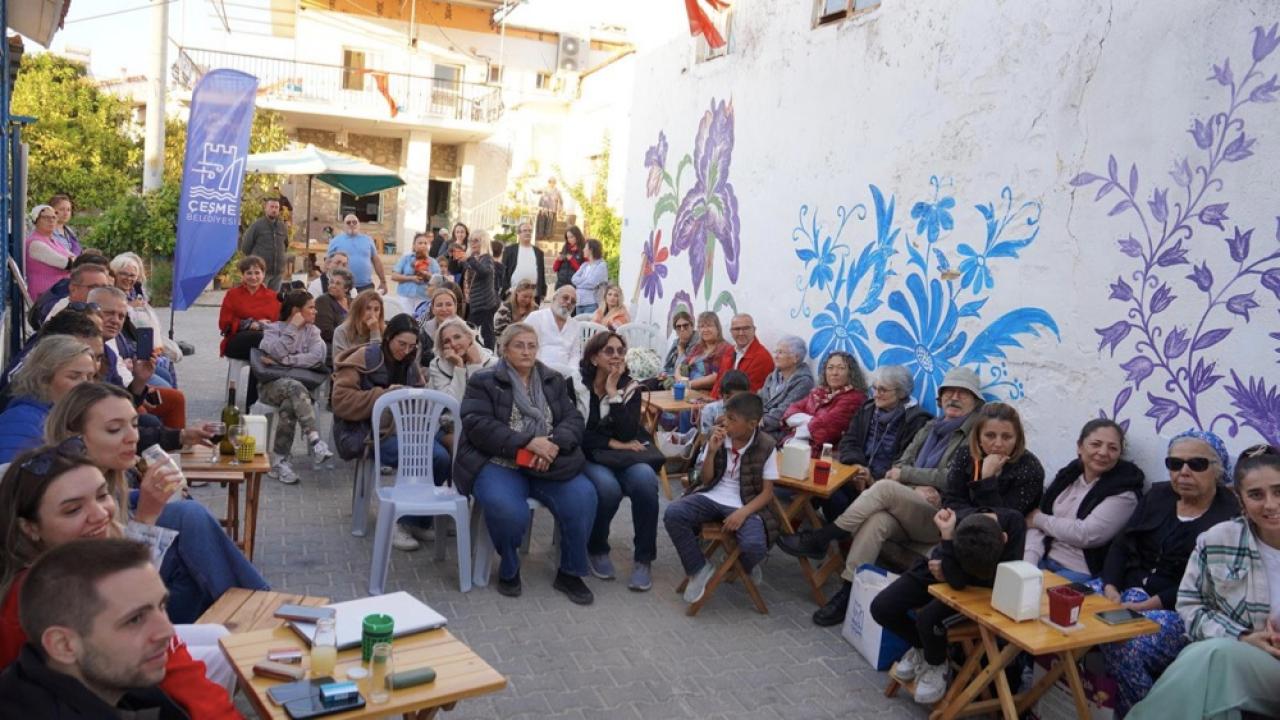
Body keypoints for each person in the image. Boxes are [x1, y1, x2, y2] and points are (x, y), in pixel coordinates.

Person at [0, 447, 241, 712]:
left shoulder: (80, 565)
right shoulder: (35, 603)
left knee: (221, 641)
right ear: (30, 527)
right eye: (72, 509)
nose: (100, 514)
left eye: (103, 495)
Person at [788, 401, 1043, 626]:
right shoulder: (967, 454)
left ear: (1018, 438)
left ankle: (823, 539)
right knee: (879, 520)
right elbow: (953, 500)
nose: (998, 444)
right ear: (978, 436)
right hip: (941, 521)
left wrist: (986, 480)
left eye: (1006, 437)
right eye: (990, 435)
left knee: (886, 489)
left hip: (969, 547)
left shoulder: (1028, 469)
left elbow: (1005, 523)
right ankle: (849, 588)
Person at [44, 382, 270, 625]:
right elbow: (117, 589)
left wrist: (142, 497)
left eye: (133, 424)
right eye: (114, 430)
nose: (133, 437)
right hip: (97, 617)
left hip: (131, 603)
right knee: (187, 518)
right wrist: (146, 516)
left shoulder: (105, 479)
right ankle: (262, 615)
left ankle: (254, 616)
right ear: (75, 438)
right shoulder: (62, 492)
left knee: (192, 569)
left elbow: (120, 504)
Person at [0, 538, 236, 718]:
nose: (167, 632)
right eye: (134, 619)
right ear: (63, 645)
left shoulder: (121, 687)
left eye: (162, 605)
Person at [1127, 443, 1280, 720]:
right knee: (1212, 677)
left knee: (1210, 658)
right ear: (1241, 501)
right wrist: (1243, 636)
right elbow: (1190, 604)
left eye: (1279, 491)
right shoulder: (1218, 540)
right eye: (1256, 494)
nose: (1270, 504)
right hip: (1242, 660)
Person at [1097, 429, 1242, 716]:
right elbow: (1122, 544)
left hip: (1179, 611)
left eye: (1196, 464)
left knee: (1123, 643)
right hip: (1125, 593)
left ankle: (1147, 712)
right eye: (1175, 464)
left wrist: (1145, 605)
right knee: (1060, 606)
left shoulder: (1231, 514)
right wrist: (1111, 588)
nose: (1184, 472)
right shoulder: (1160, 495)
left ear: (1217, 470)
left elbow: (1207, 583)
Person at [453, 323, 597, 605]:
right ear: (504, 350)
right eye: (519, 345)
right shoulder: (484, 381)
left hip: (547, 461)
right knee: (508, 510)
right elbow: (477, 424)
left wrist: (553, 445)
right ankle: (509, 567)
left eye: (532, 345)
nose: (527, 351)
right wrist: (528, 442)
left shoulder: (552, 379)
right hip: (498, 460)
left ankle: (570, 571)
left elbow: (574, 419)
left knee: (583, 496)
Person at [872, 509, 1025, 705]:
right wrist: (947, 538)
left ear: (1004, 538)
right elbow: (945, 570)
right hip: (944, 569)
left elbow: (998, 579)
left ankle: (937, 662)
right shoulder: (957, 517)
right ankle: (923, 647)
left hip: (980, 588)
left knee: (928, 619)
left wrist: (951, 569)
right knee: (882, 607)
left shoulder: (1014, 524)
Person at [332, 314, 445, 552]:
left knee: (445, 457)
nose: (405, 350)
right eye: (401, 344)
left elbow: (419, 398)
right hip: (366, 433)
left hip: (405, 430)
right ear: (387, 338)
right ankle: (399, 523)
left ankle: (418, 518)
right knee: (428, 457)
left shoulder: (410, 363)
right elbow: (340, 401)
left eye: (411, 346)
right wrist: (383, 395)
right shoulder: (364, 357)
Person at [664, 392, 779, 604]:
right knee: (674, 513)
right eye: (726, 416)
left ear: (752, 424)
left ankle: (741, 564)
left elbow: (767, 493)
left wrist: (742, 513)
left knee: (755, 546)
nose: (725, 422)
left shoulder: (767, 446)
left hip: (745, 502)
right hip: (713, 495)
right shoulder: (718, 436)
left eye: (732, 420)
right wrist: (711, 452)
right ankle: (699, 568)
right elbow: (707, 481)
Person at [577, 331, 660, 591]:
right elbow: (578, 434)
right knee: (609, 489)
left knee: (646, 481)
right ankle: (597, 546)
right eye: (609, 351)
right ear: (594, 357)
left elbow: (627, 431)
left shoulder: (630, 387)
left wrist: (613, 392)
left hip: (624, 454)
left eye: (620, 351)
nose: (616, 356)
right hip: (590, 456)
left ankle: (643, 558)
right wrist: (613, 442)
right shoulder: (576, 386)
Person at [1022, 419, 1143, 583]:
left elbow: (1086, 534)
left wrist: (1040, 520)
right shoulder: (1068, 478)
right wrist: (1029, 565)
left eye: (1113, 448)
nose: (1103, 452)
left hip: (1080, 573)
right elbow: (1036, 525)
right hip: (1042, 560)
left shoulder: (1124, 493)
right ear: (1080, 446)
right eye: (1096, 444)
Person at [826, 364, 931, 519]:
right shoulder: (867, 408)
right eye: (874, 388)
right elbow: (849, 440)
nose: (875, 394)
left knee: (843, 501)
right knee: (825, 492)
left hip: (885, 483)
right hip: (857, 473)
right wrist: (857, 466)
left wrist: (873, 478)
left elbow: (906, 461)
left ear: (901, 393)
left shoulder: (916, 420)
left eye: (882, 390)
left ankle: (834, 538)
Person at [257, 290, 334, 483]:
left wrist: (284, 361)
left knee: (290, 404)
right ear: (296, 311)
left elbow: (316, 357)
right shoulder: (272, 330)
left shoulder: (313, 332)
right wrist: (291, 329)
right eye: (311, 307)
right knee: (294, 387)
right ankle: (315, 440)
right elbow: (273, 349)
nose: (315, 311)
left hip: (297, 393)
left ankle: (279, 462)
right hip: (271, 387)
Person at [0, 337, 98, 464]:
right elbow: (12, 479)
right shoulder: (20, 421)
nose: (86, 385)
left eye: (90, 377)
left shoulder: (71, 419)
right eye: (74, 376)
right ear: (44, 379)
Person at [780, 351, 867, 457]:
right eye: (830, 368)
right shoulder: (819, 392)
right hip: (797, 446)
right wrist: (812, 421)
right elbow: (790, 411)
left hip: (822, 455)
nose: (834, 372)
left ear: (851, 373)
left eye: (841, 368)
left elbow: (825, 430)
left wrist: (798, 426)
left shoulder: (854, 398)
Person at [218, 255, 281, 360]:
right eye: (249, 273)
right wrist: (249, 324)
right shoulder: (232, 294)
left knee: (265, 346)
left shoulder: (273, 297)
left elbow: (279, 325)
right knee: (260, 340)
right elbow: (224, 324)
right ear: (243, 275)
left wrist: (261, 326)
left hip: (266, 341)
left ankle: (258, 375)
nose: (253, 277)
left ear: (264, 274)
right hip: (238, 341)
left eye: (257, 273)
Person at [759, 336, 815, 436]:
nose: (775, 356)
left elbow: (784, 412)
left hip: (782, 431)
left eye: (780, 352)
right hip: (759, 423)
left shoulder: (804, 382)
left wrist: (755, 423)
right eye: (775, 352)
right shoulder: (772, 377)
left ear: (796, 358)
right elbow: (759, 401)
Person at [711, 313, 775, 398]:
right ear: (731, 331)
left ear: (754, 330)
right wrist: (710, 401)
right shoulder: (729, 351)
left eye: (746, 328)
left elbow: (748, 395)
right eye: (737, 329)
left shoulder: (762, 358)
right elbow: (719, 382)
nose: (741, 333)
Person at [455, 228, 500, 348]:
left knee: (470, 330)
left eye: (476, 241)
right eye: (470, 241)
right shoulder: (474, 258)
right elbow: (456, 269)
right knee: (483, 331)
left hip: (484, 303)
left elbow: (484, 271)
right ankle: (485, 351)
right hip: (475, 302)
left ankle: (485, 352)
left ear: (484, 242)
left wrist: (469, 259)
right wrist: (454, 258)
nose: (472, 243)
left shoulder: (486, 258)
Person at [524, 285, 582, 371]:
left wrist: (571, 372)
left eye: (573, 301)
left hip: (565, 374)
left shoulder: (575, 325)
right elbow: (527, 346)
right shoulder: (536, 317)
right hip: (537, 371)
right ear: (554, 298)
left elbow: (575, 354)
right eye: (565, 298)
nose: (569, 302)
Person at [22, 204, 74, 299]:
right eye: (46, 217)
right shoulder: (35, 243)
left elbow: (75, 258)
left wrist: (73, 260)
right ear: (36, 220)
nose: (51, 220)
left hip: (59, 292)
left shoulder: (53, 240)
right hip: (46, 296)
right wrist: (71, 261)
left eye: (54, 217)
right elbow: (68, 264)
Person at [238, 197, 288, 290]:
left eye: (276, 207)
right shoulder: (257, 226)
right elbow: (245, 247)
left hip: (278, 272)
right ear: (266, 208)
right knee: (259, 299)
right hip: (260, 272)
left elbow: (285, 245)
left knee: (273, 300)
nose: (274, 210)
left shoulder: (282, 227)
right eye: (271, 207)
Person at [328, 214, 386, 293]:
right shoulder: (335, 241)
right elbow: (328, 262)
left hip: (366, 286)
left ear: (359, 224)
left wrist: (383, 282)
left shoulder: (368, 240)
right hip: (343, 287)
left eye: (354, 222)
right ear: (344, 226)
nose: (351, 224)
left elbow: (376, 261)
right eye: (348, 222)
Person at [677, 311, 731, 393]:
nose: (705, 330)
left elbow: (716, 377)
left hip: (706, 394)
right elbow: (681, 365)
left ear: (718, 328)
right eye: (701, 326)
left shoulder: (724, 348)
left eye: (709, 326)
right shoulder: (698, 347)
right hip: (687, 389)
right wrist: (680, 381)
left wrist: (689, 384)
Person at [416, 283, 465, 367]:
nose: (444, 309)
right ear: (433, 309)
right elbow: (416, 364)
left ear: (455, 307)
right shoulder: (422, 333)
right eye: (439, 305)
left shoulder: (467, 331)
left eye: (448, 304)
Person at [44, 262, 111, 322]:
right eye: (93, 287)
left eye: (104, 288)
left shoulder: (108, 311)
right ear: (73, 289)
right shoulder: (64, 317)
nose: (100, 293)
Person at [315, 267, 354, 366]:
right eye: (331, 282)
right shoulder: (323, 301)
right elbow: (326, 332)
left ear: (346, 288)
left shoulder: (352, 302)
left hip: (353, 343)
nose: (332, 285)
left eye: (337, 283)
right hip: (332, 345)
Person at [500, 220, 547, 302]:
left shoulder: (538, 252)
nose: (528, 233)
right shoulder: (509, 250)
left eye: (530, 231)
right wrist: (506, 290)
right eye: (525, 230)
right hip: (513, 293)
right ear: (519, 233)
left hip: (533, 294)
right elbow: (503, 271)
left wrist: (542, 292)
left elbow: (541, 273)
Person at [332, 289, 385, 361]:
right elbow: (339, 364)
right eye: (368, 308)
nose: (372, 314)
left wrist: (375, 332)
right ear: (358, 310)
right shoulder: (341, 331)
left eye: (376, 310)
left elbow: (378, 361)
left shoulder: (384, 331)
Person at [392, 232, 440, 309]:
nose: (423, 245)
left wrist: (428, 275)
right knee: (406, 319)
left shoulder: (433, 262)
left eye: (425, 243)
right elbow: (394, 276)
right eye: (420, 243)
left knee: (420, 320)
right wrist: (411, 278)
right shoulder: (406, 259)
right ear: (414, 246)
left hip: (424, 297)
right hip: (405, 296)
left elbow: (438, 280)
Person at [700, 370, 750, 436]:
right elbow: (703, 437)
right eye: (728, 398)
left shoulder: (749, 412)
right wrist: (711, 433)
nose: (734, 403)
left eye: (738, 398)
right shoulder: (710, 410)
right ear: (721, 394)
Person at [572, 239, 609, 316]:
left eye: (585, 248)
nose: (583, 250)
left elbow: (591, 283)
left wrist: (579, 283)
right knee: (579, 327)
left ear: (591, 250)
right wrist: (585, 279)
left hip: (591, 303)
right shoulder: (584, 265)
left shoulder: (601, 265)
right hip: (579, 303)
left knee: (589, 327)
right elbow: (573, 279)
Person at [661, 311, 697, 378]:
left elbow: (685, 370)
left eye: (685, 325)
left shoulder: (698, 341)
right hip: (671, 375)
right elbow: (666, 365)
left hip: (687, 379)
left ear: (692, 326)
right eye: (678, 327)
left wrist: (681, 350)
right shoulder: (676, 342)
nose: (682, 329)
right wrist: (663, 373)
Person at [554, 225, 586, 291]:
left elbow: (583, 272)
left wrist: (572, 260)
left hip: (574, 286)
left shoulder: (584, 250)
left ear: (577, 236)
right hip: (561, 285)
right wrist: (558, 260)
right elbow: (555, 269)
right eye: (568, 237)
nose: (569, 240)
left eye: (572, 237)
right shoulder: (565, 248)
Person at [536, 177, 563, 241]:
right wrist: (534, 191)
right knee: (541, 222)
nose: (551, 183)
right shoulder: (544, 189)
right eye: (550, 182)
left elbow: (561, 201)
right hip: (543, 209)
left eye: (553, 182)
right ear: (548, 182)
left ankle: (549, 236)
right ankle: (540, 235)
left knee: (550, 224)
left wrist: (560, 209)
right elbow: (537, 192)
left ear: (555, 183)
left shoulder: (557, 191)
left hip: (552, 209)